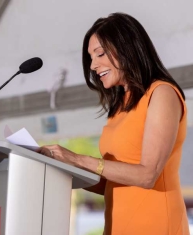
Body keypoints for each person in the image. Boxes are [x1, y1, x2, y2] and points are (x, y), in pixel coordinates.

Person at [37, 13, 190, 235]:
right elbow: (110, 183)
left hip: (155, 225)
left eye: (99, 54)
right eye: (91, 57)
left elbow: (147, 175)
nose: (93, 65)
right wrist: (61, 172)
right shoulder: (120, 105)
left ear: (127, 47)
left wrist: (77, 158)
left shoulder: (161, 93)